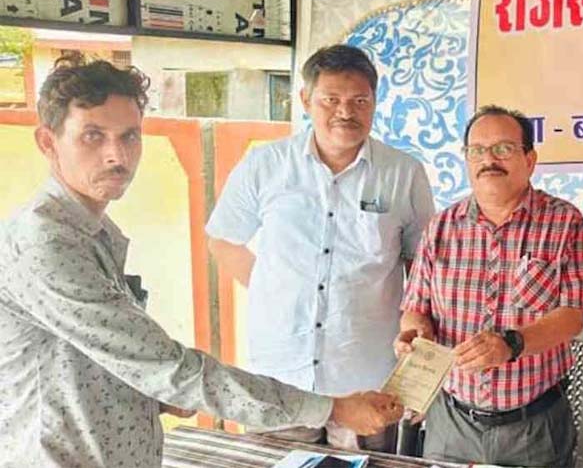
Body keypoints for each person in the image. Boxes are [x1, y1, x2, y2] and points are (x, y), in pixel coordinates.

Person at [0, 54, 403, 467]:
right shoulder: (44, 245)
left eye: (130, 136)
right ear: (48, 142)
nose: (116, 154)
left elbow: (109, 359)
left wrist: (157, 394)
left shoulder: (95, 234)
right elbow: (167, 366)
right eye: (92, 136)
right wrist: (332, 408)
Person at [206, 44, 434, 450]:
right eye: (331, 100)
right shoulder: (265, 165)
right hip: (280, 379)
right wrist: (275, 288)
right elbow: (223, 240)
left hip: (366, 380)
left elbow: (421, 265)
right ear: (306, 100)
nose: (345, 112)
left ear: (374, 103)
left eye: (359, 101)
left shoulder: (403, 173)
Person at [395, 105, 583, 466]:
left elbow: (572, 318)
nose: (489, 160)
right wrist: (416, 335)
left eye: (503, 148)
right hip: (451, 423)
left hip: (534, 426)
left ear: (529, 160)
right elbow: (416, 308)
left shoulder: (564, 222)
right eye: (477, 150)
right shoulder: (441, 227)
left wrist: (511, 344)